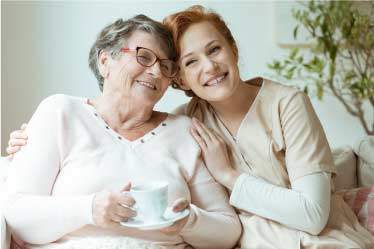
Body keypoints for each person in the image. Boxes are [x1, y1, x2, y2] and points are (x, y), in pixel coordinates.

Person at [7, 5, 374, 249]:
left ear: (232, 48)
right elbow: (20, 208)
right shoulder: (185, 122)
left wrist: (214, 191)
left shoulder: (273, 107)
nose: (209, 68)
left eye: (214, 50)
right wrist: (33, 141)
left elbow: (299, 217)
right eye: (189, 62)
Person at [3, 14, 241, 249]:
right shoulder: (60, 112)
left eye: (166, 66)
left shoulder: (185, 131)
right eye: (144, 57)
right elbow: (17, 214)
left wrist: (188, 221)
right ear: (105, 61)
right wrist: (89, 209)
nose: (157, 72)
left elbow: (228, 231)